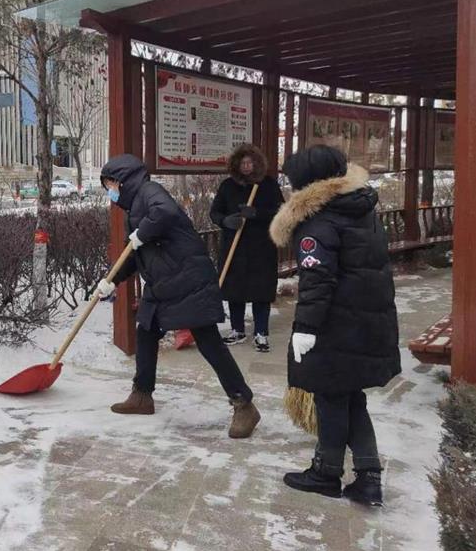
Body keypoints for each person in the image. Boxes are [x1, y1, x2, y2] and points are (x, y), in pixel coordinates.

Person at [269, 145, 400, 506]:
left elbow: (318, 279)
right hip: (368, 320)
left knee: (329, 395)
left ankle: (325, 472)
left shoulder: (318, 222)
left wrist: (306, 329)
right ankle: (369, 476)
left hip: (335, 324)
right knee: (351, 395)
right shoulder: (361, 209)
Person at [97, 154, 261, 438]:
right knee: (146, 331)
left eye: (109, 183)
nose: (109, 190)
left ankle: (244, 404)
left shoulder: (150, 192)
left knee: (208, 341)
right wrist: (111, 281)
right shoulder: (133, 208)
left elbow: (165, 214)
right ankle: (142, 395)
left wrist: (142, 234)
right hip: (162, 284)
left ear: (123, 179)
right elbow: (134, 253)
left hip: (187, 280)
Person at [210, 144, 285, 352]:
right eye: (242, 163)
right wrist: (226, 221)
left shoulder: (268, 185)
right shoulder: (227, 186)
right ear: (236, 164)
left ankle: (261, 332)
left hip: (261, 249)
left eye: (250, 162)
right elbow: (214, 212)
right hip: (235, 247)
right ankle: (237, 329)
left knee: (261, 291)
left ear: (257, 164)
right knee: (235, 291)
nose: (246, 166)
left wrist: (257, 213)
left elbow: (281, 211)